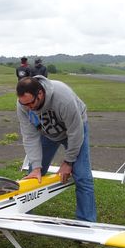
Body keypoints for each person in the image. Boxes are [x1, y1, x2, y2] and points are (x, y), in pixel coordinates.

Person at [16, 76, 96, 222]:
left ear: (40, 93)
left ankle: (86, 225)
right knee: (33, 175)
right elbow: (29, 136)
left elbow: (75, 132)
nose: (28, 108)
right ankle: (24, 217)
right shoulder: (23, 105)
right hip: (46, 133)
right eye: (24, 104)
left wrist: (69, 161)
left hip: (74, 130)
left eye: (30, 103)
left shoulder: (63, 98)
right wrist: (36, 166)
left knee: (83, 177)